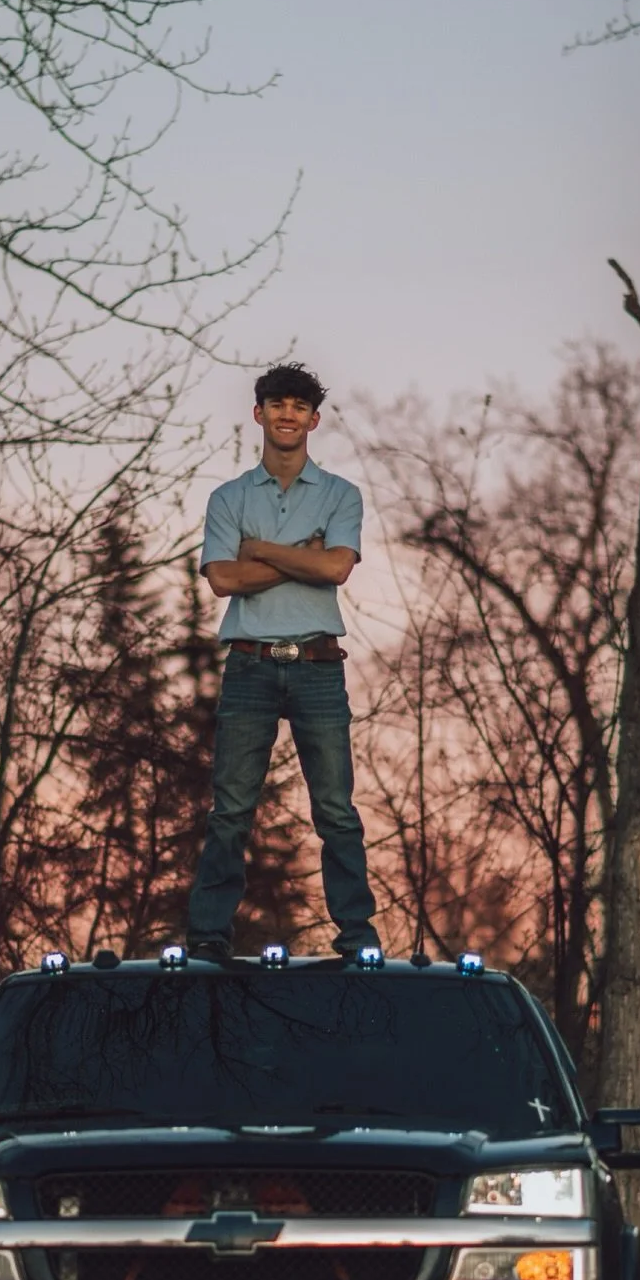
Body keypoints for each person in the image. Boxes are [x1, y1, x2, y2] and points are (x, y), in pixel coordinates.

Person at [185, 362, 381, 961]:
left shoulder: (342, 494)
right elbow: (222, 579)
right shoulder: (228, 497)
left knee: (336, 811)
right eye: (277, 404)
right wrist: (303, 556)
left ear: (314, 419)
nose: (287, 414)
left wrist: (263, 553)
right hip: (249, 666)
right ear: (259, 414)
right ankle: (209, 936)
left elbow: (336, 569)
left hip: (320, 668)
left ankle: (356, 936)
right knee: (232, 811)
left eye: (299, 406)